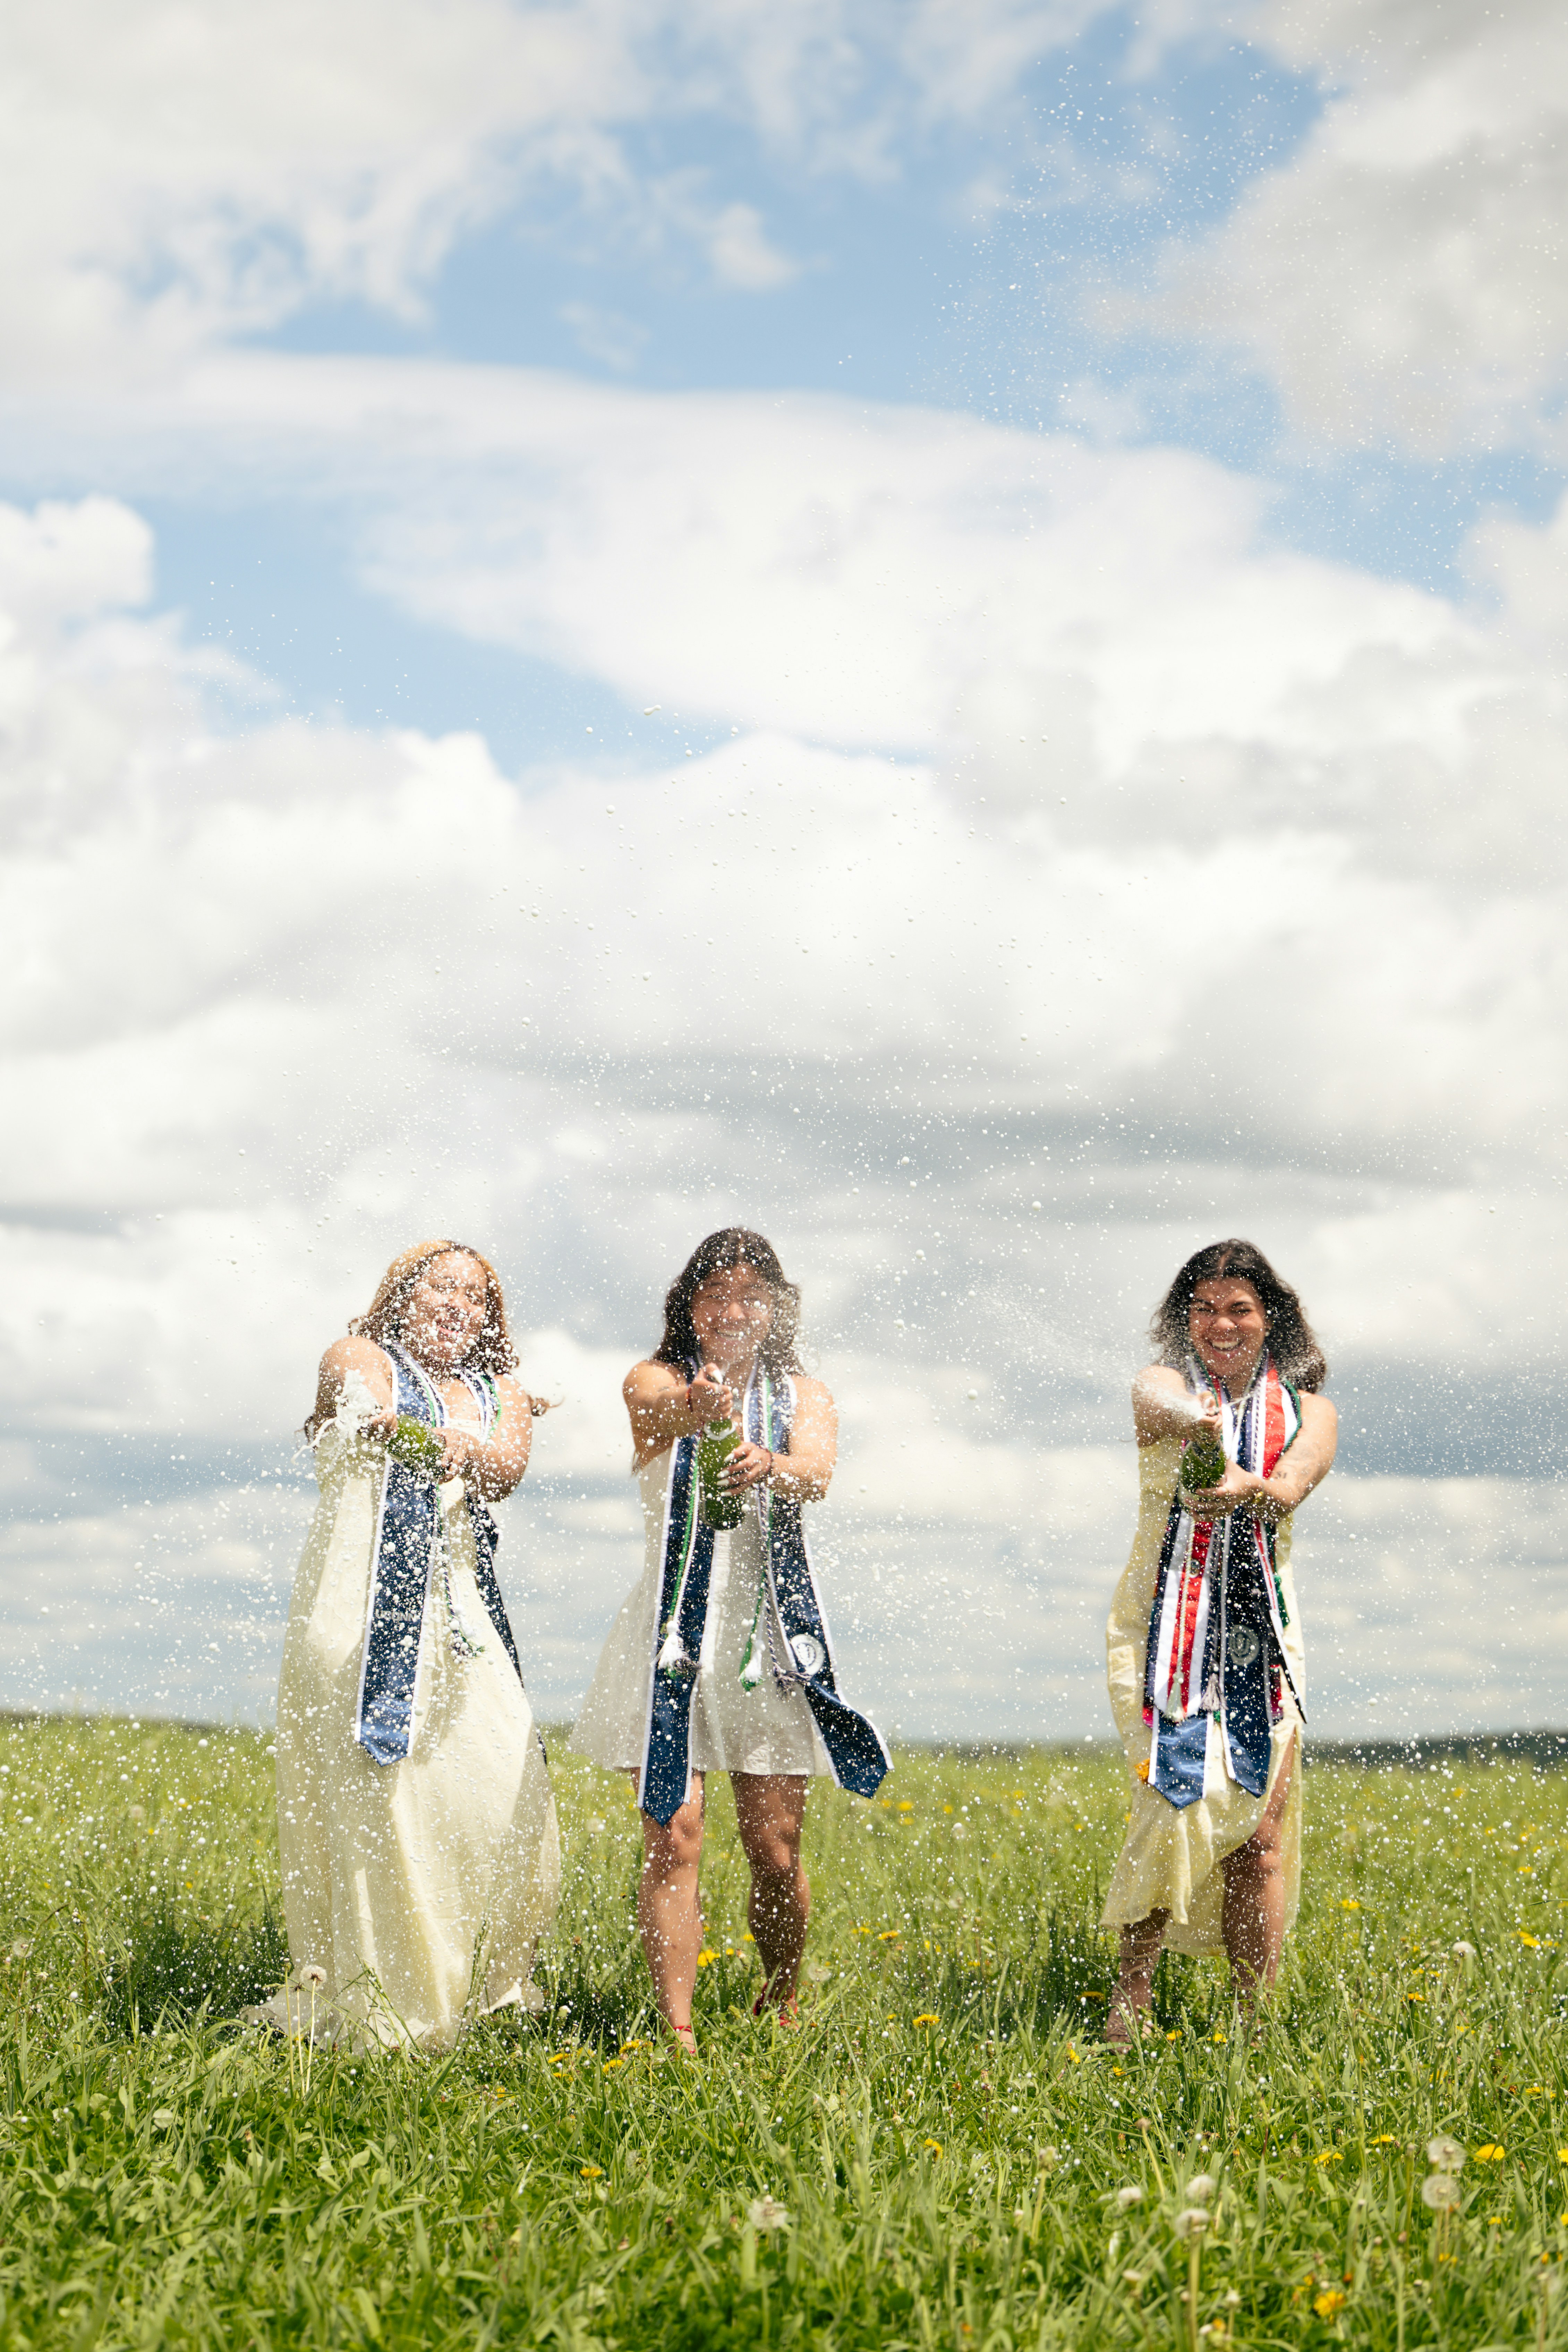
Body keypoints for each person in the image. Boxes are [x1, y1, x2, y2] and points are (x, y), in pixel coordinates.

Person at [572, 1228, 888, 2051]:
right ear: (690, 1305)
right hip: (671, 1635)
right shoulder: (655, 1376)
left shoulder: (802, 1395)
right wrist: (700, 1410)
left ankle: (781, 1994)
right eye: (716, 1294)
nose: (733, 1309)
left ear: (776, 1309)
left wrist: (769, 1462)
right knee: (673, 1834)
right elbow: (659, 1412)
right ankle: (676, 2030)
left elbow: (814, 1471)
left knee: (774, 1847)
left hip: (768, 1642)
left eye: (752, 1296)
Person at [264, 1239, 560, 2049]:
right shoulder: (358, 1352)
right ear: (403, 1292)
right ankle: (376, 1995)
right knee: (378, 1794)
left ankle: (479, 1984)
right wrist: (402, 1424)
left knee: (502, 1775)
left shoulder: (502, 1390)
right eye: (442, 1285)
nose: (458, 1303)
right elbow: (356, 1400)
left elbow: (502, 1471)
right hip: (353, 1603)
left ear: (490, 1320)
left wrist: (454, 1442)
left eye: (477, 1296)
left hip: (457, 1610)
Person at [1102, 1238, 1337, 2037]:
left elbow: (1294, 1482)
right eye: (1202, 1308)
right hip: (1163, 1628)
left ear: (1270, 1318)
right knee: (1168, 1801)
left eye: (1238, 1308)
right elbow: (1150, 1398)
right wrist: (1198, 1423)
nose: (1220, 1323)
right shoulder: (1170, 1388)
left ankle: (1253, 2018)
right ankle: (1131, 1993)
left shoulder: (1310, 1411)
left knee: (1260, 1835)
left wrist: (1253, 1487)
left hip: (1264, 1637)